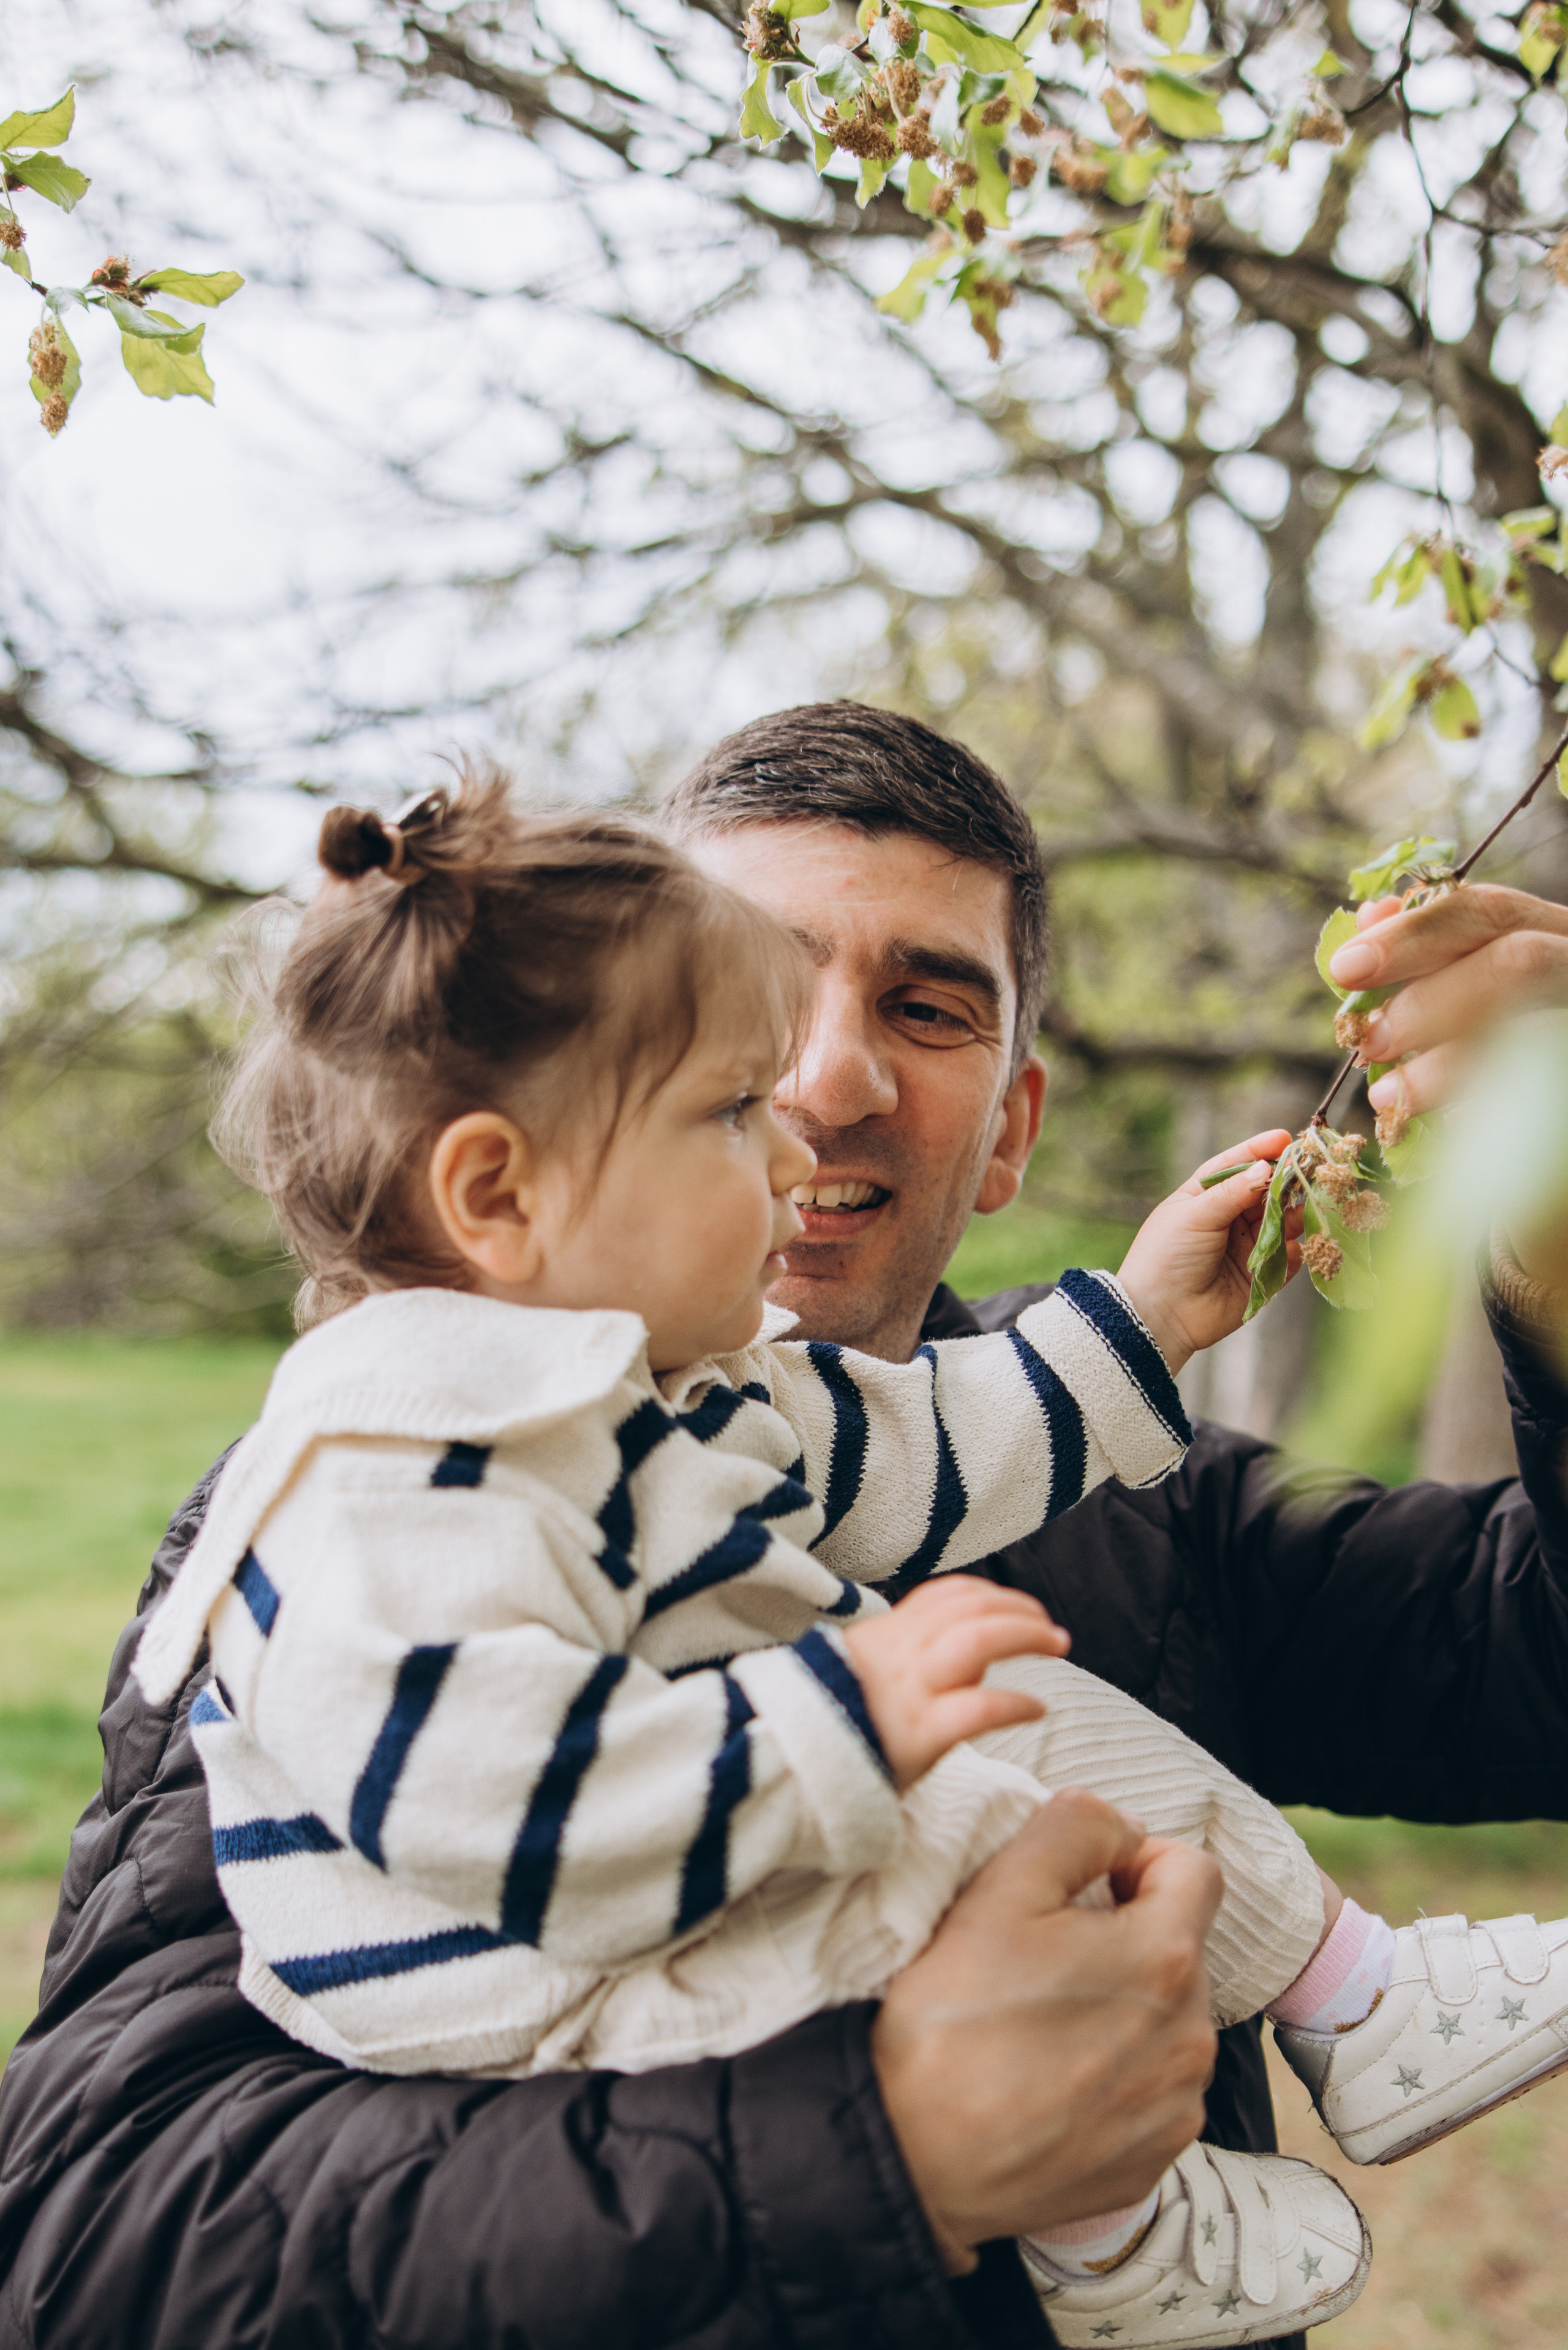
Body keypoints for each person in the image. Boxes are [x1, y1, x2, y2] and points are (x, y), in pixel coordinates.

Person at [1, 704, 1566, 2350]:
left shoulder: (1142, 1512)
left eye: (927, 1003)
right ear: (507, 1168)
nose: (823, 1084)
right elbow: (99, 2240)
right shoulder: (363, 1519)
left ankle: (1367, 2004)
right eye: (744, 1052)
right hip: (589, 1975)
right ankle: (1125, 2243)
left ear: (1017, 1129)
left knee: (1054, 1735)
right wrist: (887, 2144)